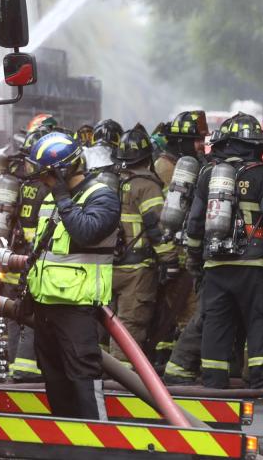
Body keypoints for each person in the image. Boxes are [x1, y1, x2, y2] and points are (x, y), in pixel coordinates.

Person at [185, 112, 263, 390]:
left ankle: (213, 377)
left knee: (216, 320)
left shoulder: (207, 174)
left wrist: (196, 259)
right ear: (256, 145)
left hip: (215, 265)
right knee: (260, 316)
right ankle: (260, 373)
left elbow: (195, 221)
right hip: (253, 264)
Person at [25, 131, 120, 419]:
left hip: (76, 309)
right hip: (45, 307)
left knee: (83, 379)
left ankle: (98, 441)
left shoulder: (102, 196)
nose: (42, 181)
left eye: (47, 175)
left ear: (63, 171)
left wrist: (64, 197)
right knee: (55, 381)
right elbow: (42, 253)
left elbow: (86, 232)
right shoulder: (53, 198)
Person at [110, 124, 179, 362]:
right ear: (148, 156)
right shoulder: (147, 186)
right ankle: (121, 378)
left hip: (107, 268)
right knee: (130, 324)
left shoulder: (110, 183)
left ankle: (102, 373)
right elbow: (157, 228)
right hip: (136, 271)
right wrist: (170, 260)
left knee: (106, 323)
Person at [151, 111, 208, 368]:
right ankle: (181, 366)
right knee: (185, 312)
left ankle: (170, 361)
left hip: (182, 253)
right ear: (182, 140)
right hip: (173, 254)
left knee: (176, 311)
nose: (200, 145)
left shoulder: (180, 166)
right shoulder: (166, 169)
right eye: (196, 139)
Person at [5, 125, 57, 381]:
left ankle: (15, 364)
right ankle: (26, 368)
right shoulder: (48, 190)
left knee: (15, 314)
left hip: (12, 258)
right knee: (33, 314)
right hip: (32, 260)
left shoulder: (23, 185)